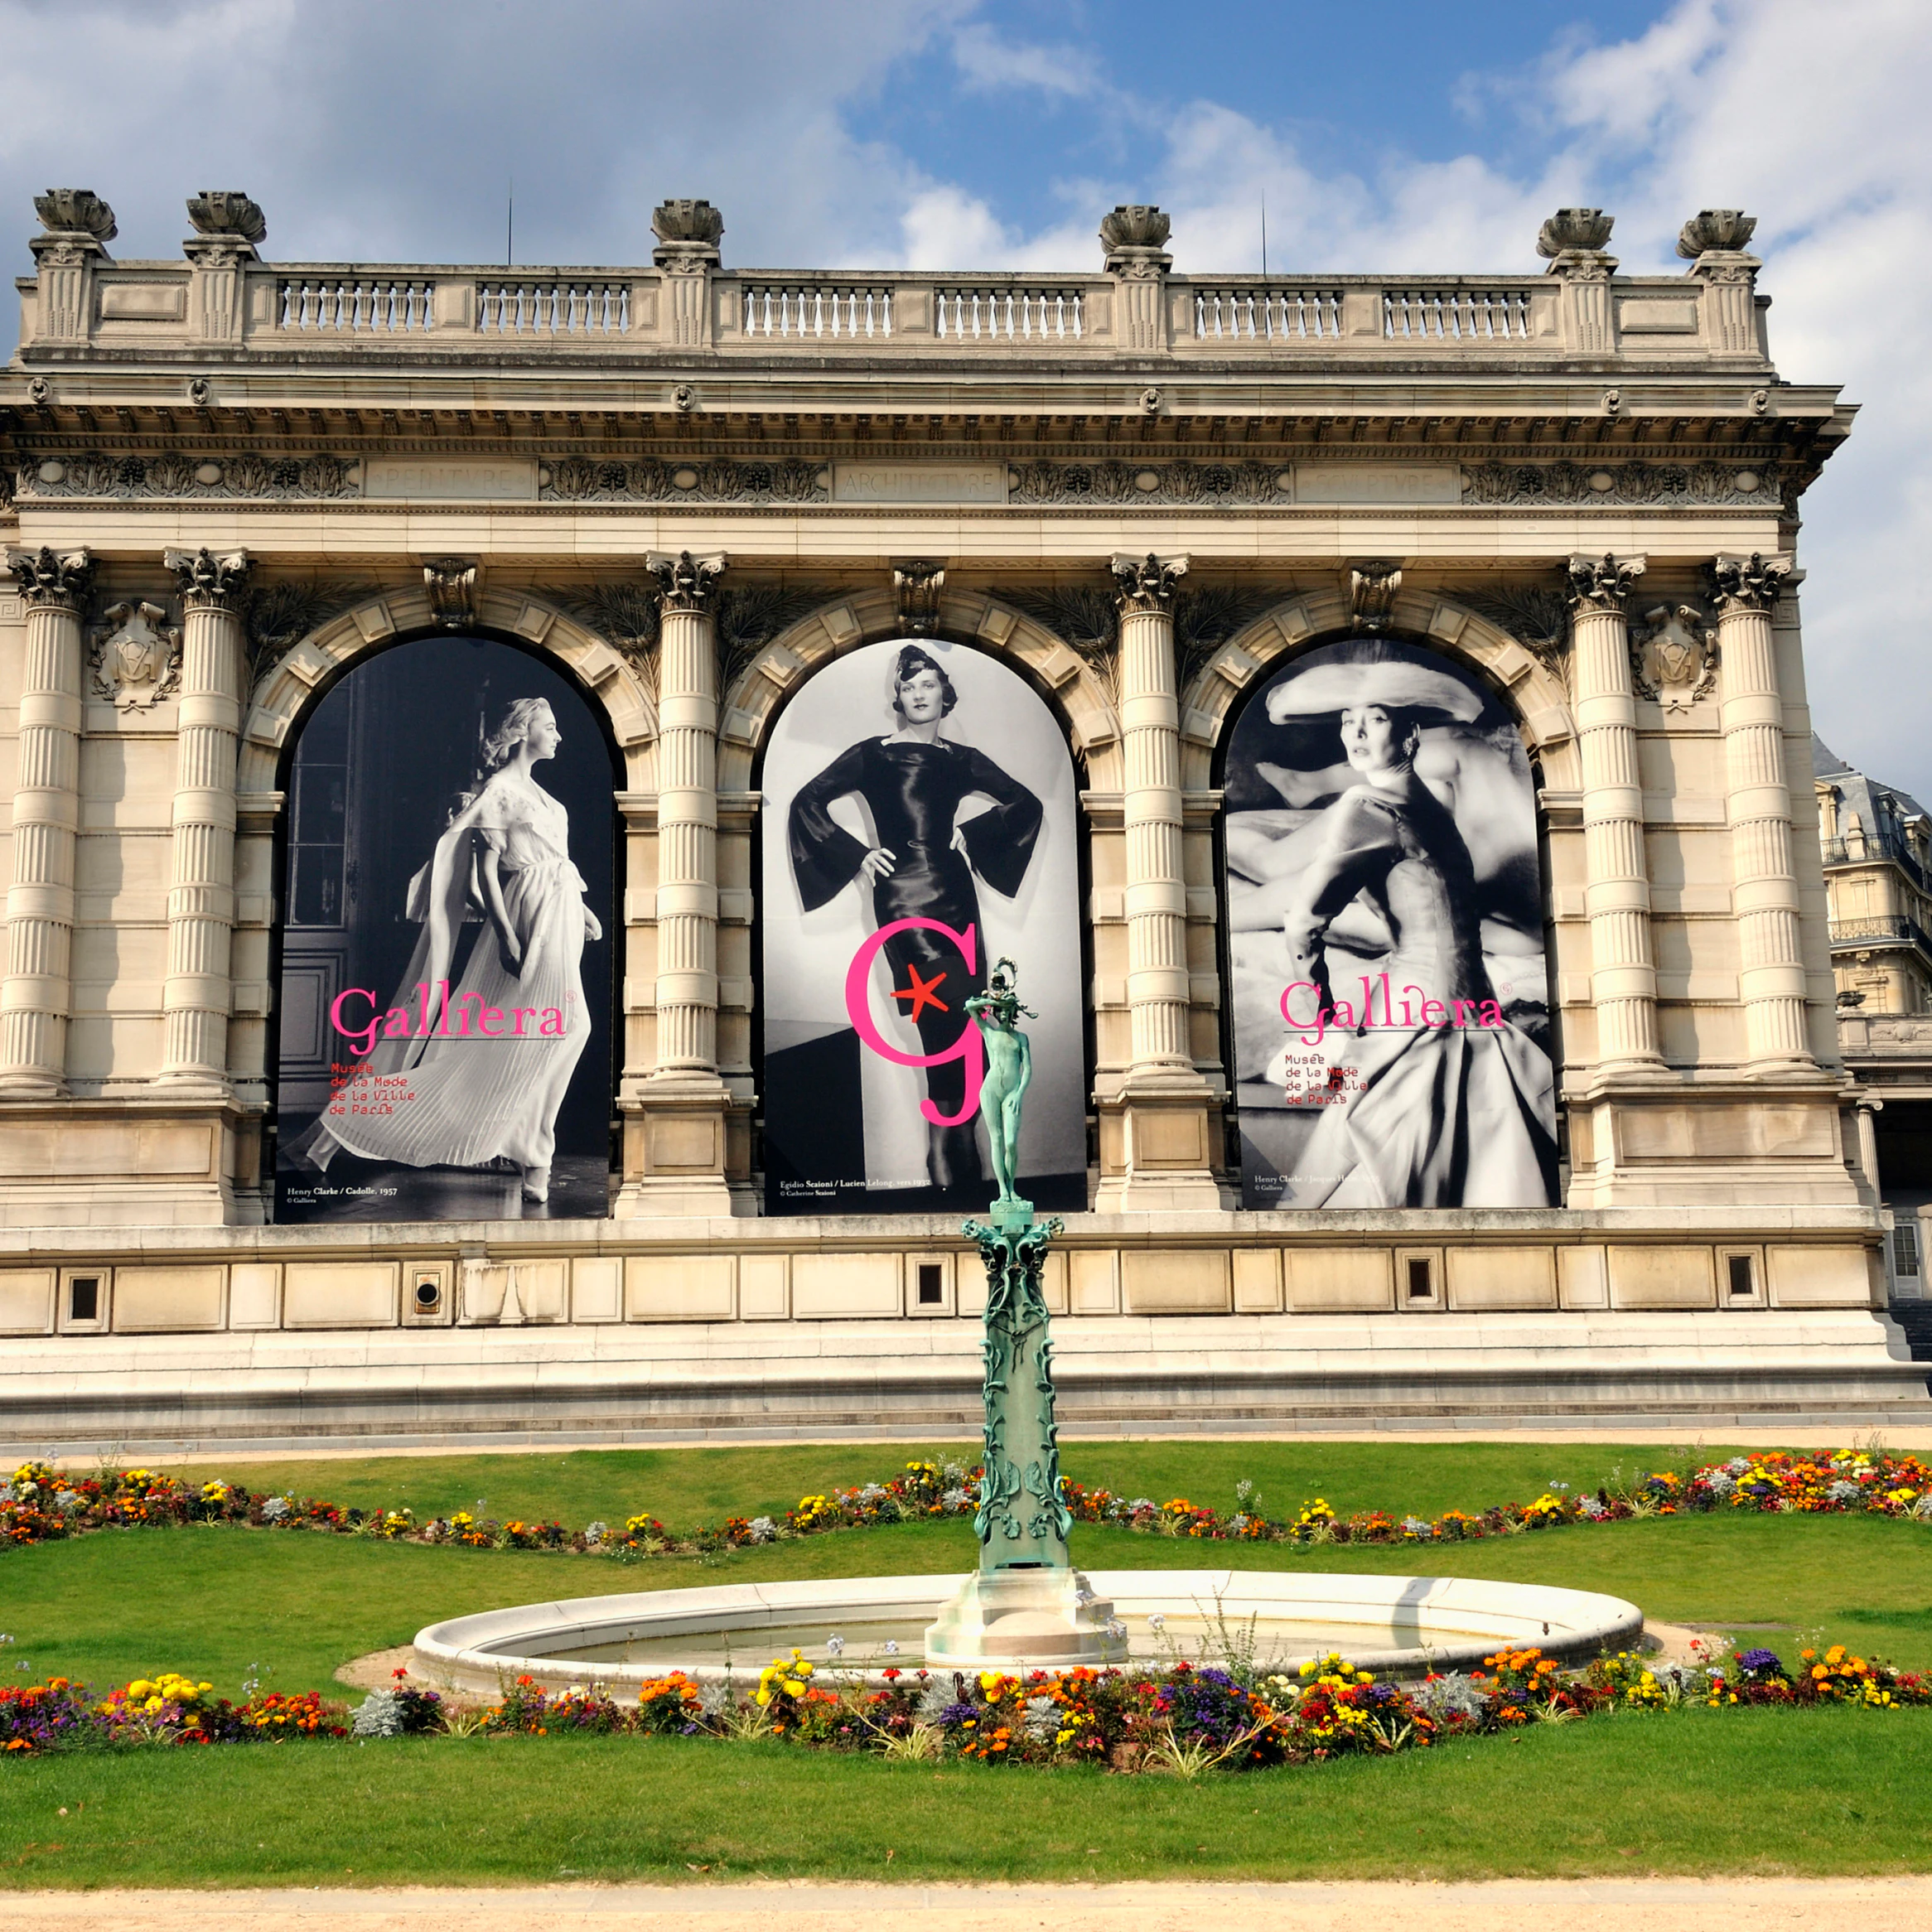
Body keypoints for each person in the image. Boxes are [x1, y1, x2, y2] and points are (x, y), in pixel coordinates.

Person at [1249, 650, 1557, 1207]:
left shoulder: (1402, 807)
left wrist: (1326, 1020)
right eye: (1348, 721)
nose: (1356, 732)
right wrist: (1326, 1022)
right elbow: (1304, 924)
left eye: (1376, 718)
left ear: (1412, 734)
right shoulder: (1393, 806)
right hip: (1438, 1017)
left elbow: (1311, 925)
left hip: (1443, 1016)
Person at [287, 695, 602, 1204]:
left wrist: (581, 909)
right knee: (558, 1029)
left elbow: (558, 862)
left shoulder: (542, 796)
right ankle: (532, 1156)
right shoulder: (500, 790)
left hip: (560, 912)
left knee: (534, 1036)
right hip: (529, 917)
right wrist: (505, 936)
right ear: (524, 733)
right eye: (549, 726)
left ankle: (524, 1150)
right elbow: (486, 872)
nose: (559, 735)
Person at [788, 645, 1043, 1191]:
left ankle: (957, 1133)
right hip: (901, 894)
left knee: (973, 1013)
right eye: (910, 686)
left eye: (929, 684)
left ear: (943, 693)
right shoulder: (872, 755)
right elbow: (807, 801)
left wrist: (972, 835)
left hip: (955, 893)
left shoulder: (961, 759)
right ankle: (946, 1137)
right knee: (939, 1013)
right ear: (898, 697)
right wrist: (857, 854)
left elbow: (1026, 804)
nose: (920, 694)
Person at [964, 959, 1034, 1207]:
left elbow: (1028, 1070)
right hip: (991, 1090)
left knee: (1011, 1143)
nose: (1004, 1014)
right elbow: (970, 1006)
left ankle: (1013, 1188)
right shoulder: (989, 1032)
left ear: (1014, 1013)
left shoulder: (1021, 1038)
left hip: (1012, 1092)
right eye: (1001, 1011)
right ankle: (1003, 1190)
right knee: (996, 1139)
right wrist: (995, 1000)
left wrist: (1019, 1094)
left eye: (1008, 1011)